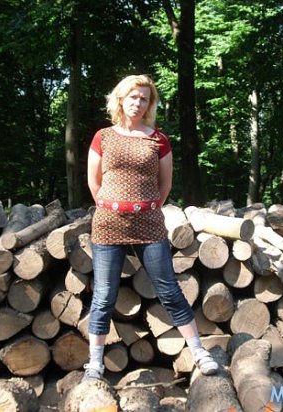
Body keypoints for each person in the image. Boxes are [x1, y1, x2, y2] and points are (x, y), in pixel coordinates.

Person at [83, 74, 219, 381]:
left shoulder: (158, 139)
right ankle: (95, 365)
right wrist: (113, 206)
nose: (138, 102)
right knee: (103, 296)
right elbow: (94, 181)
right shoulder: (103, 137)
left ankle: (199, 352)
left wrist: (145, 207)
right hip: (108, 225)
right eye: (133, 97)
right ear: (120, 99)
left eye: (144, 98)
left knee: (169, 289)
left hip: (149, 224)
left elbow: (165, 184)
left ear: (150, 104)